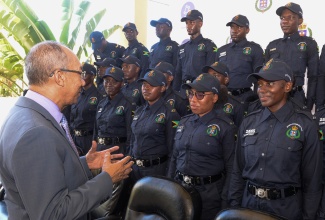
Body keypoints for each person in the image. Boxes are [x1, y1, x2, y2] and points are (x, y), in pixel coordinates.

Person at [0, 41, 133, 220]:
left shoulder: (23, 113)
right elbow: (54, 214)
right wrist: (107, 179)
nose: (82, 80)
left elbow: (44, 176)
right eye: (79, 73)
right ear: (59, 77)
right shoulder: (37, 133)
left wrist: (84, 163)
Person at [229, 58, 322, 219]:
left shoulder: (305, 125)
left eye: (269, 83)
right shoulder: (248, 121)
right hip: (249, 206)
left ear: (287, 86)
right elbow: (237, 171)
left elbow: (312, 181)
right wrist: (233, 208)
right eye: (260, 84)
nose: (261, 89)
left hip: (285, 209)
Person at [168, 73, 236, 220]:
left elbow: (231, 167)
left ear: (215, 98)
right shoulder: (184, 122)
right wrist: (169, 186)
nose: (193, 99)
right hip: (181, 190)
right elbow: (174, 158)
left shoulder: (225, 126)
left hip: (209, 196)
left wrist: (226, 200)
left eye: (200, 95)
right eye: (191, 94)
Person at [92, 66, 135, 219]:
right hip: (101, 154)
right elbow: (96, 131)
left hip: (117, 153)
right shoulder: (102, 103)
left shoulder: (128, 104)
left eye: (113, 81)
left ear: (121, 83)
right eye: (106, 81)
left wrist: (128, 158)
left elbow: (131, 135)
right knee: (100, 195)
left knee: (114, 199)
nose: (108, 84)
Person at [264, 2, 321, 110]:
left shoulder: (308, 43)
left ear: (300, 21)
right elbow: (264, 77)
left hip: (297, 98)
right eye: (282, 18)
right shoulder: (272, 45)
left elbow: (313, 77)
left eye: (290, 18)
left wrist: (309, 105)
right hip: (274, 99)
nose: (285, 21)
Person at [129, 70, 180, 184]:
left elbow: (173, 149)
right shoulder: (139, 111)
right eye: (144, 84)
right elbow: (132, 141)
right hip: (135, 170)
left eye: (151, 85)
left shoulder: (170, 113)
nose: (145, 88)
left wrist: (169, 176)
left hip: (156, 170)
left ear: (162, 88)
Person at [215, 14, 264, 107]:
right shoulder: (221, 50)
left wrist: (257, 99)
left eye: (239, 27)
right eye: (232, 27)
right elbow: (214, 76)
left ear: (247, 30)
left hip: (245, 98)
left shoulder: (255, 49)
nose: (234, 30)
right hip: (223, 98)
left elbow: (259, 77)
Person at [173, 9, 217, 92]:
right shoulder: (182, 48)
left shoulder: (209, 45)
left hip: (200, 89)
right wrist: (175, 92)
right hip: (183, 89)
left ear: (200, 24)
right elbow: (178, 73)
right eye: (186, 23)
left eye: (192, 22)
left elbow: (211, 73)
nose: (188, 26)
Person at [70, 63, 104, 156]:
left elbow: (99, 123)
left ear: (92, 76)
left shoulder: (99, 96)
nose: (82, 76)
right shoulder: (77, 94)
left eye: (85, 73)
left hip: (89, 140)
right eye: (81, 73)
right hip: (75, 139)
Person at [202, 61, 245, 127]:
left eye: (215, 76)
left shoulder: (236, 104)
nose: (211, 79)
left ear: (226, 79)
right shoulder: (199, 100)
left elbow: (240, 130)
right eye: (209, 76)